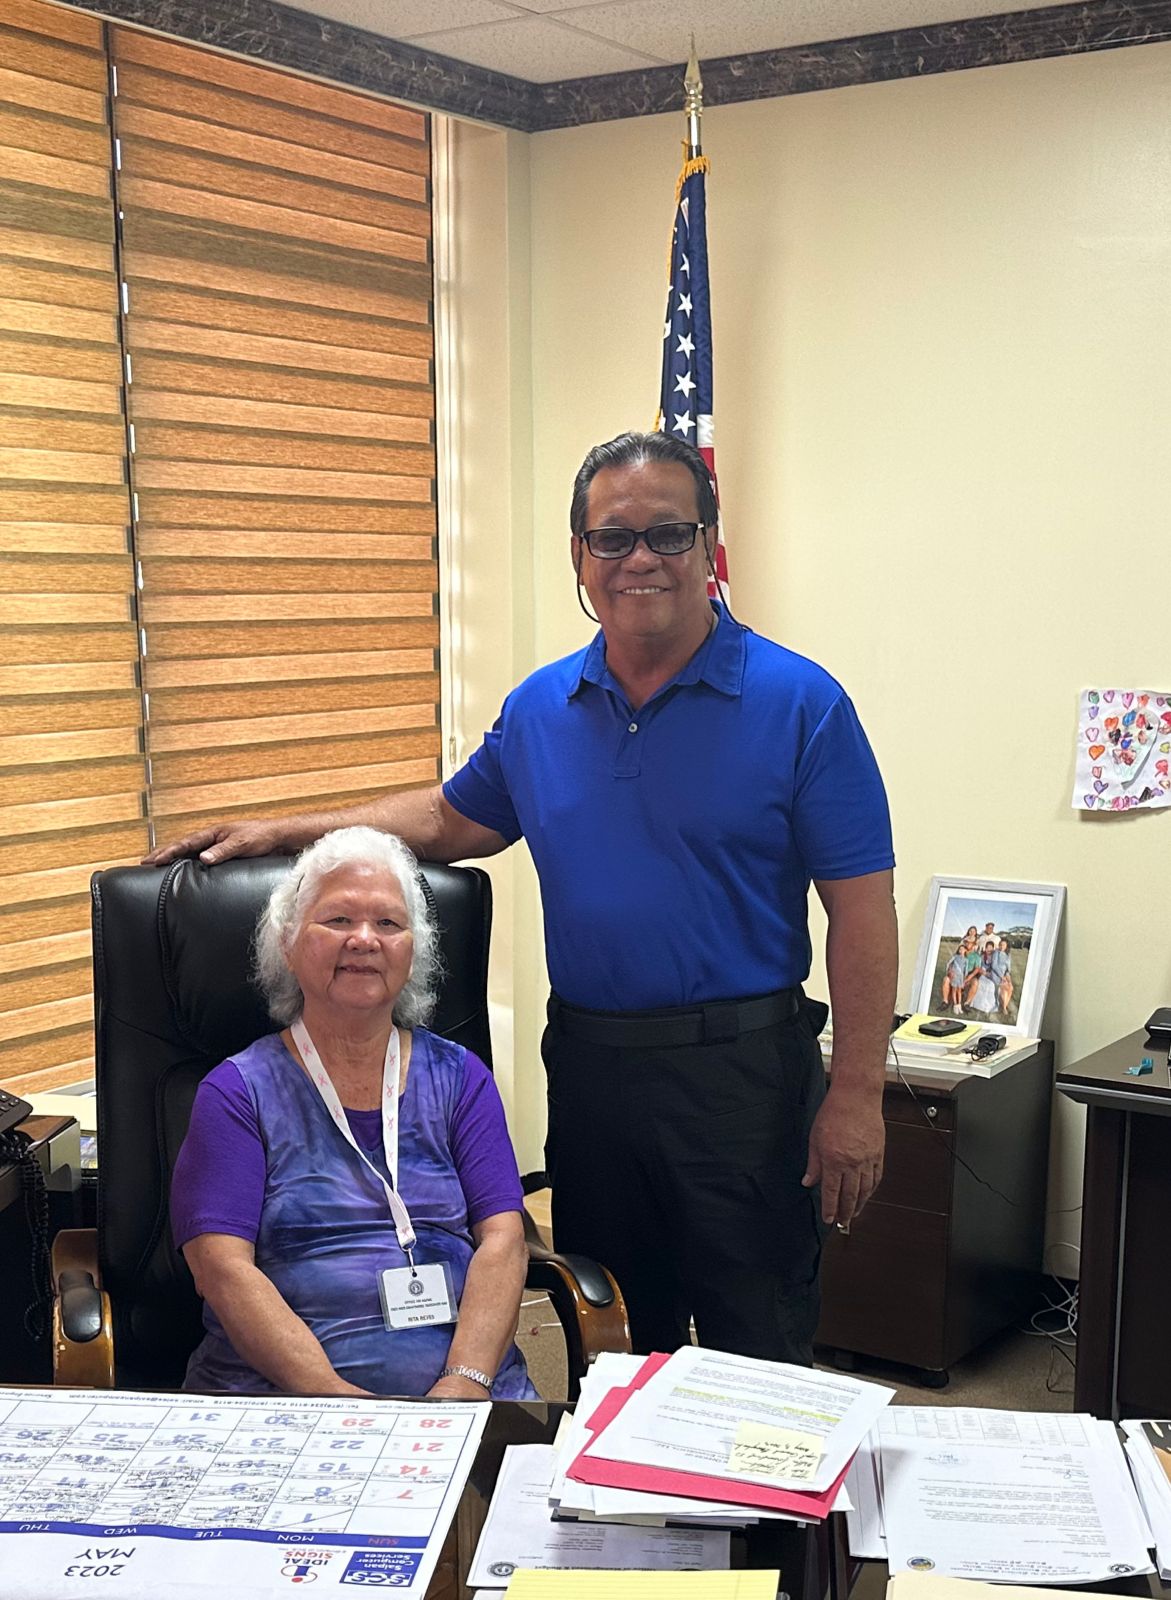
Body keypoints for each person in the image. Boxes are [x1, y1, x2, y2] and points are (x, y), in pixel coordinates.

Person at [149, 430, 897, 1366]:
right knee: (616, 1332)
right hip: (591, 1070)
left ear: (710, 545)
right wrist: (287, 830)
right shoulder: (543, 708)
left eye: (667, 534)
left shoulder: (802, 703)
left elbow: (863, 909)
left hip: (743, 1073)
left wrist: (858, 1092)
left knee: (758, 1334)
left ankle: (769, 1520)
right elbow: (449, 816)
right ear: (578, 557)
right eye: (611, 538)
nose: (639, 560)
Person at [170, 825, 535, 1399]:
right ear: (288, 943)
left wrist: (463, 1381)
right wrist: (334, 1399)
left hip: (466, 1392)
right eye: (338, 920)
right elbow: (222, 1270)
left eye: (388, 923)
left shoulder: (461, 1079)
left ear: (413, 951)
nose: (364, 939)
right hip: (289, 1402)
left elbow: (503, 1241)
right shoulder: (237, 1093)